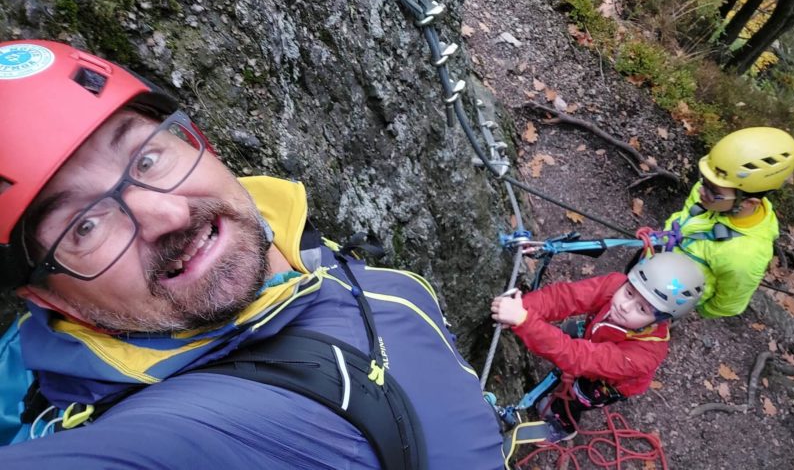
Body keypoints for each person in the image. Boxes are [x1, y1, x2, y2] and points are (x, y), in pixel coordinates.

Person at [0, 40, 502, 468]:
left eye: (147, 157)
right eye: (84, 226)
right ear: (50, 301)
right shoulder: (203, 427)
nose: (167, 215)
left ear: (198, 141)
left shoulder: (287, 240)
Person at [489, 251, 705, 442]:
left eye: (642, 309)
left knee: (577, 397)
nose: (624, 305)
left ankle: (563, 426)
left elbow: (579, 358)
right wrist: (524, 307)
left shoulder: (643, 355)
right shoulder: (616, 285)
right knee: (572, 337)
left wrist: (525, 321)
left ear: (661, 320)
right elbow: (566, 298)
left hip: (609, 381)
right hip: (598, 338)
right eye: (629, 293)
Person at [664, 127, 794, 318]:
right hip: (657, 257)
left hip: (669, 299)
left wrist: (698, 309)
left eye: (713, 191)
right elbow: (687, 215)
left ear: (748, 202)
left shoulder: (746, 257)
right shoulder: (711, 194)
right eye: (704, 181)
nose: (702, 191)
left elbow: (728, 304)